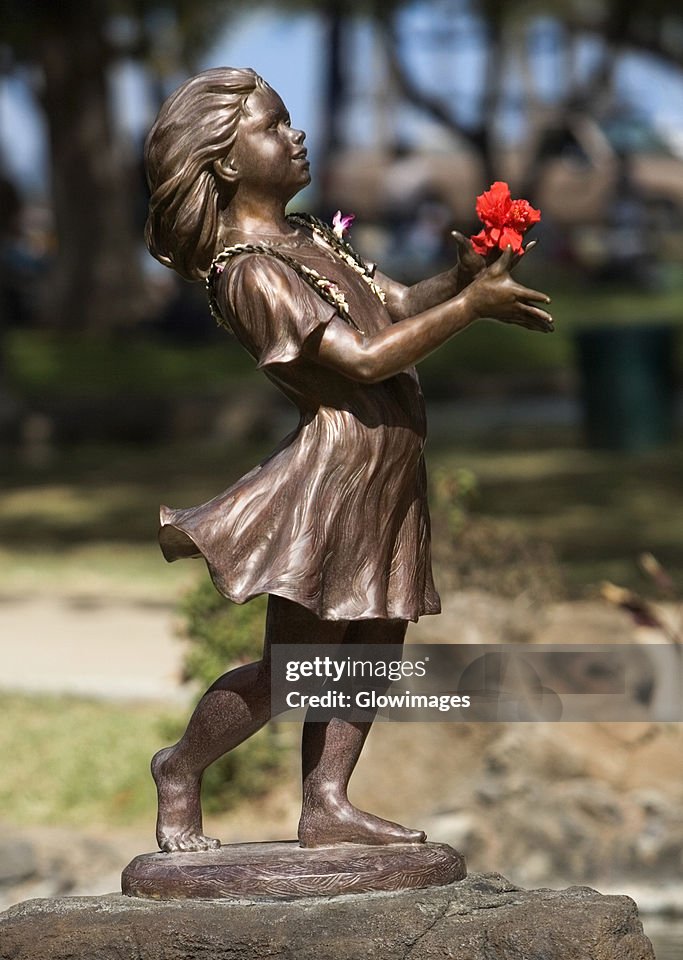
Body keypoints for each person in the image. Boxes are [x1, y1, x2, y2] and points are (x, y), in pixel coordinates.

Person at [144, 67, 553, 853]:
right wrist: (470, 311)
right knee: (291, 665)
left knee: (376, 640)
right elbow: (363, 361)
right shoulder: (252, 271)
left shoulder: (308, 237)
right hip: (332, 478)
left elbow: (394, 306)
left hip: (390, 470)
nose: (293, 134)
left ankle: (326, 800)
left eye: (291, 119)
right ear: (225, 162)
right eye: (273, 124)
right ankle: (181, 768)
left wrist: (459, 279)